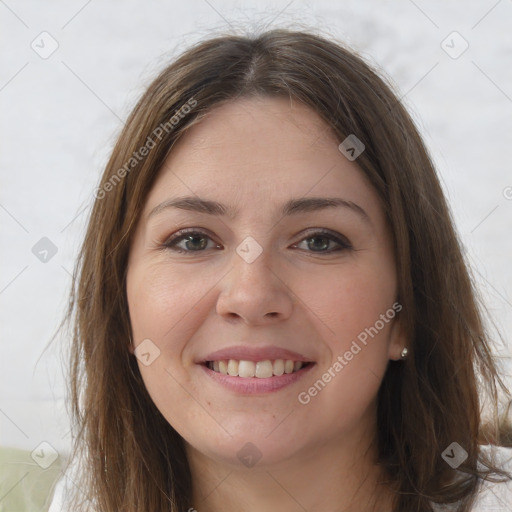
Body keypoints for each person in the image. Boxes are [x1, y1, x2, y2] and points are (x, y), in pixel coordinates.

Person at [50, 28, 512, 512]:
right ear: (122, 307)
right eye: (192, 240)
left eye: (318, 241)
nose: (250, 297)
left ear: (407, 309)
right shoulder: (86, 498)